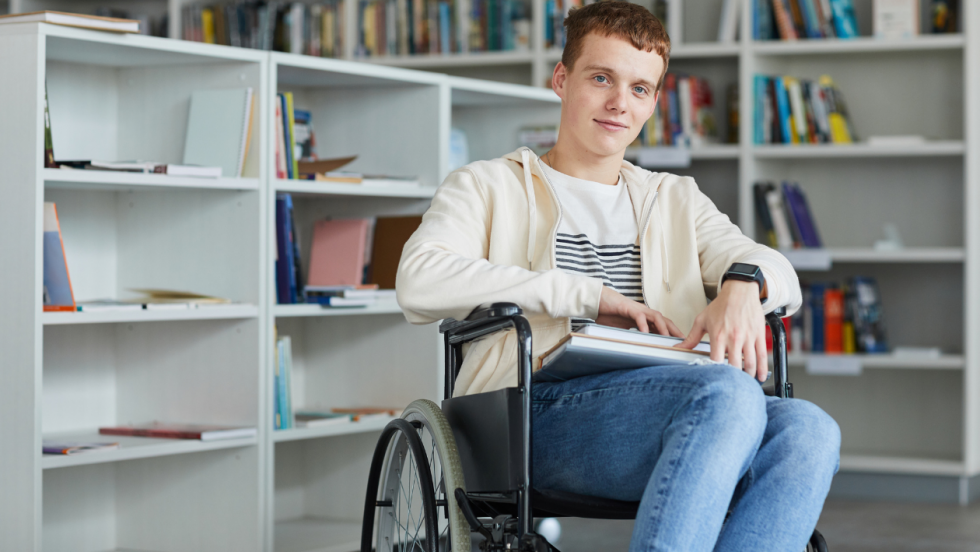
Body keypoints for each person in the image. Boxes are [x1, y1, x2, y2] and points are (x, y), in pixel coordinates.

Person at [396, 2, 840, 550]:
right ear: (561, 79)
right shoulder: (488, 186)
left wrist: (743, 285)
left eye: (639, 89)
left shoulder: (674, 198)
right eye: (601, 78)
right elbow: (418, 279)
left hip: (671, 407)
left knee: (809, 429)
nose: (618, 103)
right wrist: (585, 296)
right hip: (529, 415)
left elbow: (776, 270)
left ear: (654, 101)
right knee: (727, 393)